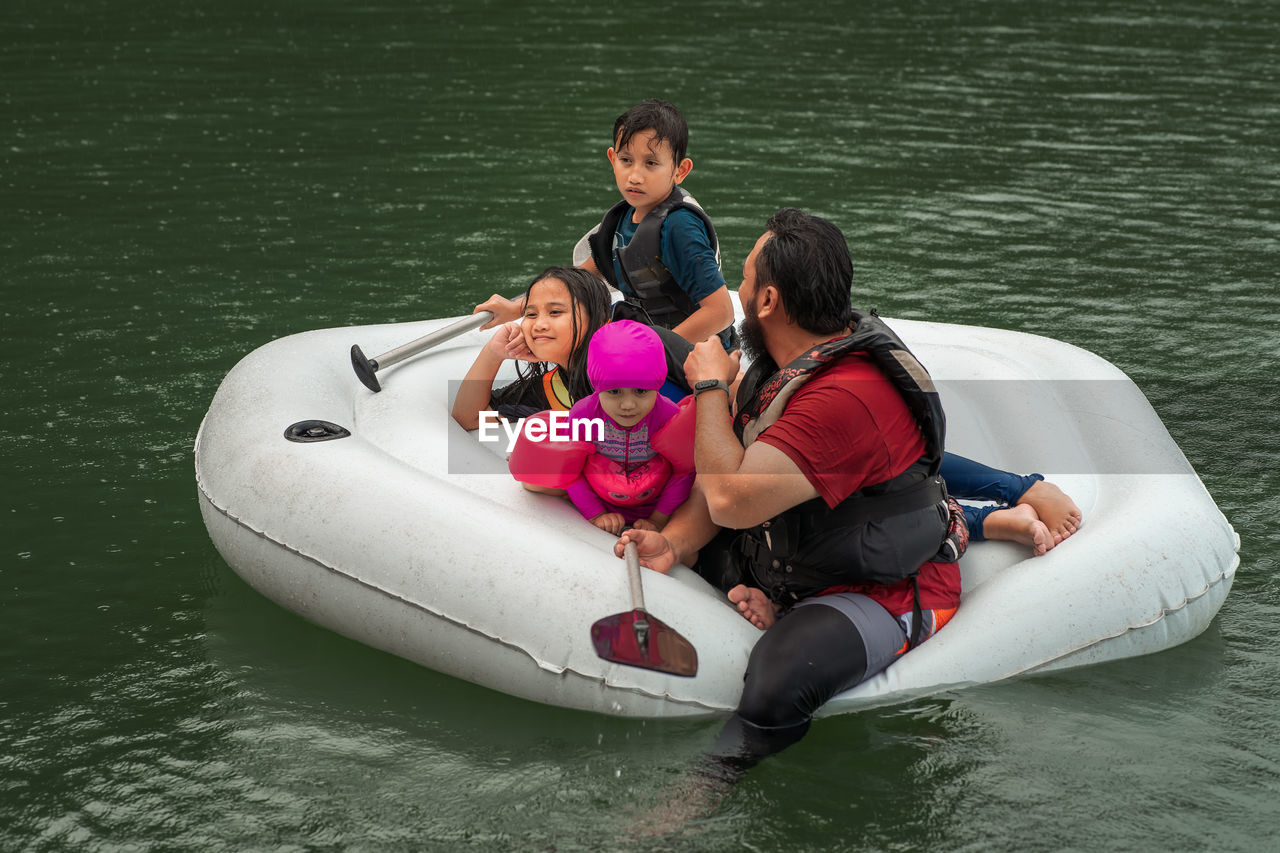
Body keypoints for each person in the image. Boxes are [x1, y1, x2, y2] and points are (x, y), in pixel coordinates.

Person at [618, 208, 970, 768]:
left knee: (777, 683)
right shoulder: (782, 366)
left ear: (769, 301)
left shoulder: (845, 395)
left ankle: (697, 799)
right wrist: (679, 543)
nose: (736, 288)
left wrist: (710, 385)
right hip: (799, 558)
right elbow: (722, 473)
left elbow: (732, 499)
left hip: (876, 588)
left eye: (746, 278)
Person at [473, 99, 736, 349]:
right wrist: (516, 309)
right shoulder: (623, 217)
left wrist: (653, 353)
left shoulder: (681, 226)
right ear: (612, 159)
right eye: (626, 160)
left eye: (651, 163)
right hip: (647, 334)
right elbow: (581, 278)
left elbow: (720, 312)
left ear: (680, 170)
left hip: (693, 355)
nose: (635, 176)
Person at [510, 320, 695, 534]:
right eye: (614, 392)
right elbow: (570, 472)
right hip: (600, 495)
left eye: (641, 391)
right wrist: (596, 514)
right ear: (596, 385)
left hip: (654, 501)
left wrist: (658, 520)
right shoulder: (583, 415)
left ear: (657, 384)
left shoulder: (668, 416)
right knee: (533, 481)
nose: (628, 405)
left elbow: (682, 473)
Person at [451, 266, 611, 430]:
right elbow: (469, 418)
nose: (539, 325)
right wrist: (492, 353)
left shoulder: (628, 367)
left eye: (555, 312)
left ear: (599, 320)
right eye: (531, 314)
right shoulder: (550, 390)